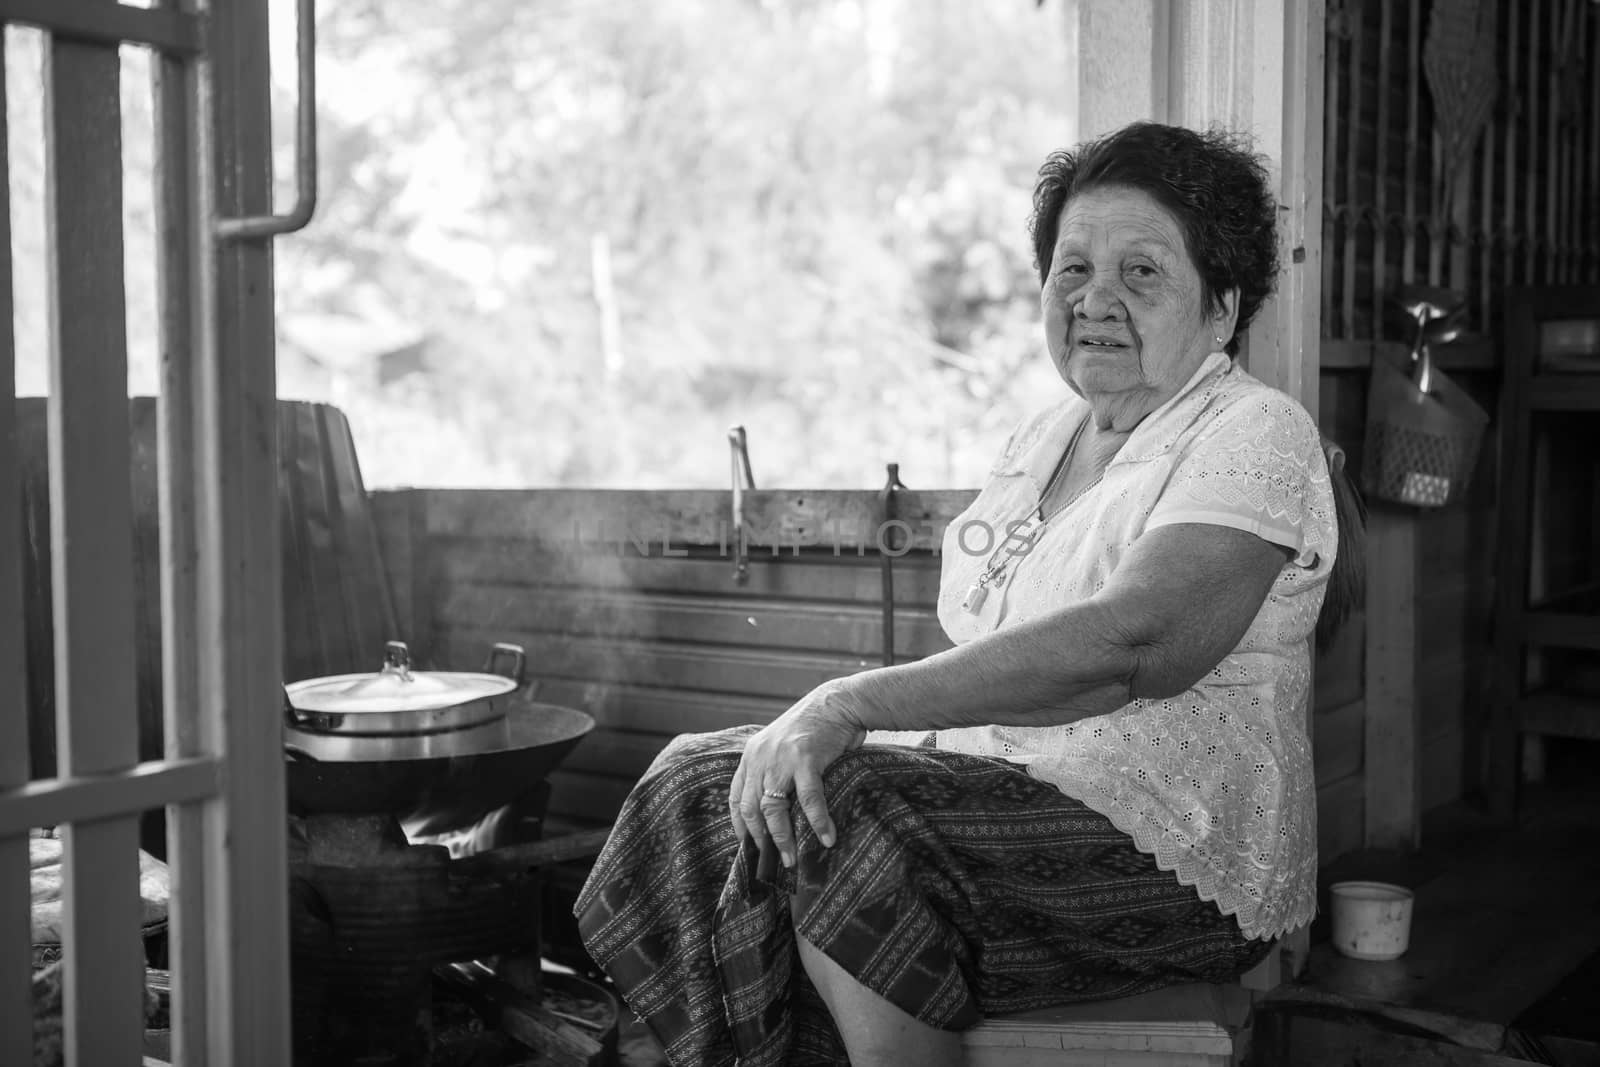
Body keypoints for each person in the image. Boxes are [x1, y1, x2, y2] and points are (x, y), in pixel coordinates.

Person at [576, 121, 1354, 1067]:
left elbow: (1136, 644)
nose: (1095, 299)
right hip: (1001, 797)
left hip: (1174, 855)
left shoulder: (1254, 431)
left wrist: (846, 702)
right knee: (700, 779)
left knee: (842, 808)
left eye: (1141, 273)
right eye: (1072, 270)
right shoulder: (1043, 439)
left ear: (1223, 309)